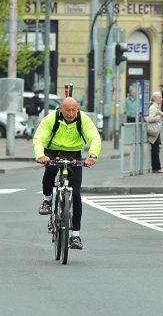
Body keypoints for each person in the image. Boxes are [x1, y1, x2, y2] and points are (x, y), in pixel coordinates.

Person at [33, 97, 101, 250]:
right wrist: (40, 155)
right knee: (50, 169)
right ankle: (47, 200)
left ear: (77, 109)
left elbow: (94, 137)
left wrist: (93, 155)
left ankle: (75, 236)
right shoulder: (51, 119)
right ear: (60, 109)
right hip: (52, 150)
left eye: (74, 110)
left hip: (73, 153)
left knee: (76, 194)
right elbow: (39, 137)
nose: (71, 114)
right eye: (67, 110)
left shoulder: (82, 119)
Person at [147, 91, 163, 173]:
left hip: (156, 131)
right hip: (154, 131)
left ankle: (157, 167)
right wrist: (159, 117)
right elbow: (150, 119)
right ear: (156, 98)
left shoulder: (156, 107)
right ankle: (156, 168)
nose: (161, 99)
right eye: (160, 98)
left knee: (156, 149)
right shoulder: (153, 107)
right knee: (155, 149)